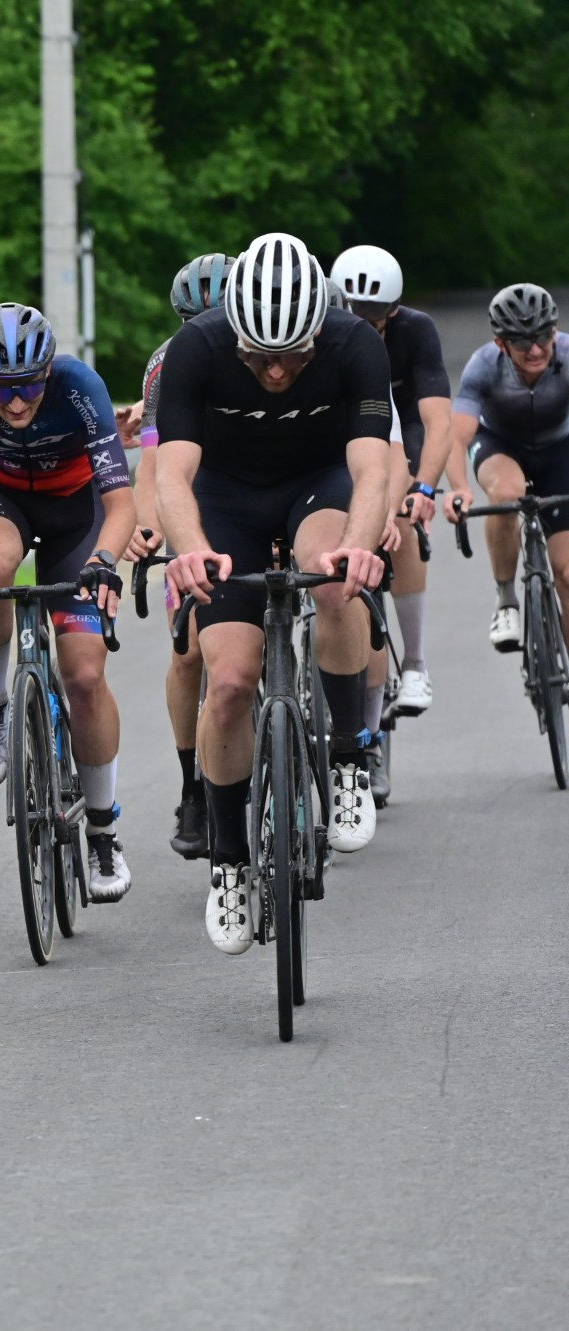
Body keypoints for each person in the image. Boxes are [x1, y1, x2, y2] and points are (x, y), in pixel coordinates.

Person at [154, 232, 392, 957]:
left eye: (295, 354)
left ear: (321, 328)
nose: (279, 371)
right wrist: (190, 549)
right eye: (260, 357)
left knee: (332, 572)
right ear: (234, 333)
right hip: (226, 499)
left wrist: (361, 543)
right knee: (228, 681)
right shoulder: (197, 348)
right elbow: (170, 474)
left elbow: (372, 468)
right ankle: (229, 860)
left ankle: (348, 756)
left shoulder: (355, 344)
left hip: (317, 484)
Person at [0, 302, 139, 902]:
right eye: (1, 389)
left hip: (75, 513)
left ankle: (103, 830)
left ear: (48, 371)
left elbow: (120, 501)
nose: (15, 403)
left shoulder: (80, 385)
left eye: (29, 386)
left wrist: (104, 561)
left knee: (84, 676)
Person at [329, 244, 453, 805]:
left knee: (393, 528)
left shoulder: (414, 334)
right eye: (354, 315)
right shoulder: (323, 341)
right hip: (333, 455)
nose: (365, 327)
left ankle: (413, 667)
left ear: (394, 314)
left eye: (375, 320)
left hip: (400, 445)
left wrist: (423, 489)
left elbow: (436, 422)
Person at [135, 253, 231, 860]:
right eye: (195, 324)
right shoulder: (165, 365)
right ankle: (192, 784)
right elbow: (152, 462)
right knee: (190, 650)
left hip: (258, 491)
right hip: (192, 501)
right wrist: (148, 526)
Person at [442, 283, 569, 648]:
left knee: (567, 575)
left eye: (542, 337)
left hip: (559, 448)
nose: (535, 349)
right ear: (501, 343)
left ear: (554, 331)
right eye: (522, 341)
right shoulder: (484, 366)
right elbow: (456, 437)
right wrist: (460, 488)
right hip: (501, 444)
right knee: (506, 493)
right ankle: (507, 599)